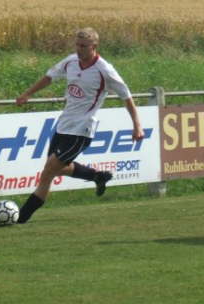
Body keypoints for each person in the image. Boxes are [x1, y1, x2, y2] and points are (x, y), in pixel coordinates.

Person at [15, 27, 144, 224]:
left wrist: (137, 126)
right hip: (63, 126)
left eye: (83, 46)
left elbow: (126, 96)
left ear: (94, 46)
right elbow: (49, 76)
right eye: (77, 45)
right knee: (55, 169)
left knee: (48, 172)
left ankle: (21, 217)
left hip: (82, 130)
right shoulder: (70, 61)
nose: (79, 49)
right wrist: (27, 93)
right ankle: (97, 176)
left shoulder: (104, 70)